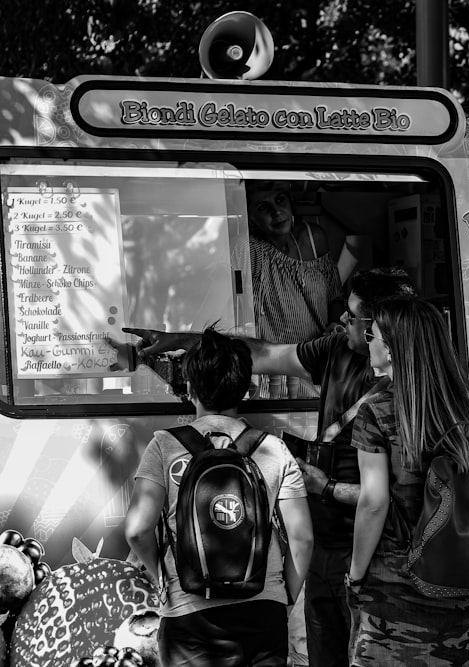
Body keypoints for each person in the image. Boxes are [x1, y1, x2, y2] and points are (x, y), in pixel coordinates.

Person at [121, 267, 416, 667]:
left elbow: (396, 496)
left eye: (352, 316)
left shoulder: (415, 388)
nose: (342, 321)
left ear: (381, 323)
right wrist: (184, 342)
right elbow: (258, 354)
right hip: (325, 547)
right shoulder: (333, 350)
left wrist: (327, 489)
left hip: (376, 549)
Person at [123, 328, 314, 666]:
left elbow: (137, 529)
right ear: (246, 389)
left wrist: (164, 583)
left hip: (189, 615)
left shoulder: (164, 446)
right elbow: (302, 539)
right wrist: (283, 600)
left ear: (190, 388)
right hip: (262, 610)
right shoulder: (273, 450)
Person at [346, 295, 469, 666]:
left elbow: (373, 504)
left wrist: (355, 575)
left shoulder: (376, 411)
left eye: (373, 336)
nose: (368, 342)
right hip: (468, 588)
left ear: (392, 349)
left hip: (395, 590)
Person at [245, 181, 362, 398]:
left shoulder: (314, 237)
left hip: (318, 365)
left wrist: (335, 324)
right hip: (275, 372)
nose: (276, 211)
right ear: (251, 217)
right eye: (263, 207)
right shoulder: (251, 250)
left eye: (280, 199)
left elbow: (334, 297)